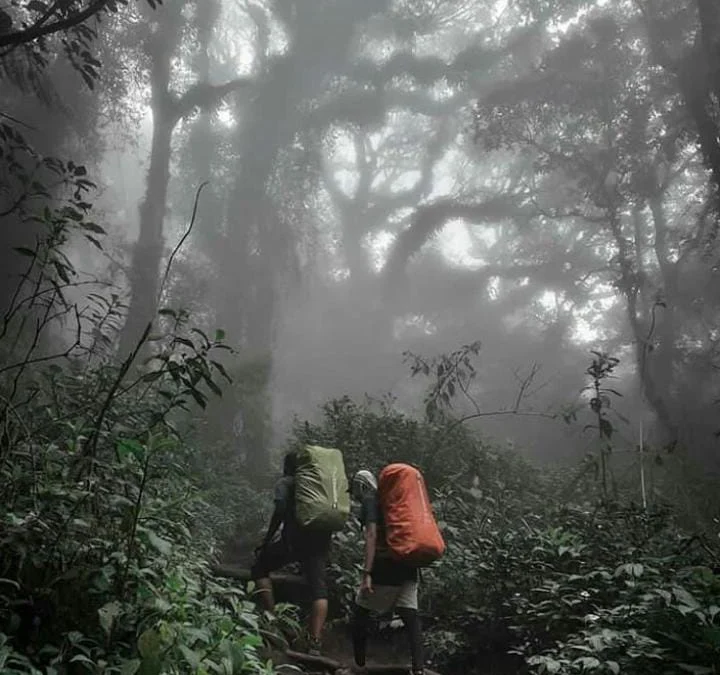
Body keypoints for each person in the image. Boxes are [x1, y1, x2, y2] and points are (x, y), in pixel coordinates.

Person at [342, 469, 425, 675]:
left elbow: (371, 534)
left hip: (386, 566)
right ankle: (419, 669)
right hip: (409, 564)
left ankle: (359, 666)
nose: (356, 497)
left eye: (355, 491)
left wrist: (367, 573)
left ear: (362, 486)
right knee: (410, 616)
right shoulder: (394, 503)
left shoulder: (371, 500)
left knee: (360, 612)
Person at [251, 451, 331, 656]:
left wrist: (267, 539)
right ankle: (315, 642)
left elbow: (279, 511)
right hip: (320, 543)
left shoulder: (285, 483)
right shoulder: (321, 484)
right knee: (319, 591)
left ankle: (273, 620)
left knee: (259, 568)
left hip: (294, 541)